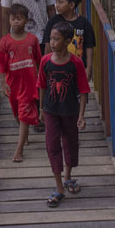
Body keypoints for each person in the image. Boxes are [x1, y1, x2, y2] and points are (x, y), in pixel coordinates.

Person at [1, 0, 56, 131]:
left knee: (40, 75)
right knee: (24, 76)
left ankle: (41, 114)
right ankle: (27, 113)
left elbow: (51, 9)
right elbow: (5, 12)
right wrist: (5, 37)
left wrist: (54, 34)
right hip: (18, 37)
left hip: (40, 35)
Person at [37, 21, 90, 207]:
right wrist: (41, 109)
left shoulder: (76, 63)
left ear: (67, 41)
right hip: (51, 110)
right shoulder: (45, 61)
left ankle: (68, 176)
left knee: (70, 142)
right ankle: (59, 187)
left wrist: (81, 115)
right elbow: (41, 85)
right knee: (52, 145)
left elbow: (83, 90)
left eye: (56, 39)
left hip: (70, 110)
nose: (52, 42)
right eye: (51, 39)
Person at [0, 3, 41, 162]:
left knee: (24, 113)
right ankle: (25, 133)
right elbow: (0, 64)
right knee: (16, 113)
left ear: (26, 20)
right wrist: (2, 82)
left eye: (19, 18)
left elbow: (38, 60)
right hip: (12, 84)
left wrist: (40, 80)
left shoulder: (32, 40)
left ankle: (19, 149)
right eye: (13, 19)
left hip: (29, 84)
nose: (16, 22)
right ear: (9, 20)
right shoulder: (5, 42)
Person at [42, 0, 96, 82]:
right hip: (57, 67)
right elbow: (48, 43)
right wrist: (47, 64)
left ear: (71, 5)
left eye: (60, 2)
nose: (57, 5)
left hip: (78, 68)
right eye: (56, 2)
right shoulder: (54, 21)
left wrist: (89, 67)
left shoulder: (84, 23)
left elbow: (89, 46)